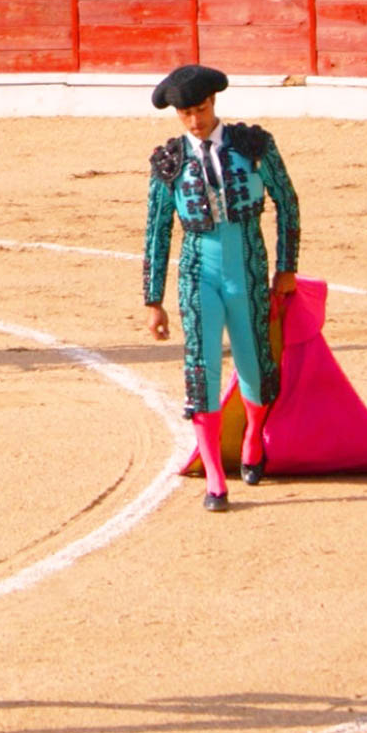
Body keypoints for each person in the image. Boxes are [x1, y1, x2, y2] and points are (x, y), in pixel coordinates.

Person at [143, 64, 300, 512]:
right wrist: (153, 300)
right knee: (201, 367)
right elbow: (157, 230)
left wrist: (286, 268)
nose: (195, 121)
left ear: (214, 103)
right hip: (198, 271)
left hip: (248, 266)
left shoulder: (253, 145)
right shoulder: (169, 161)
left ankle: (253, 436)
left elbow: (287, 202)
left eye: (200, 109)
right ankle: (215, 477)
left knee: (254, 362)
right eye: (185, 114)